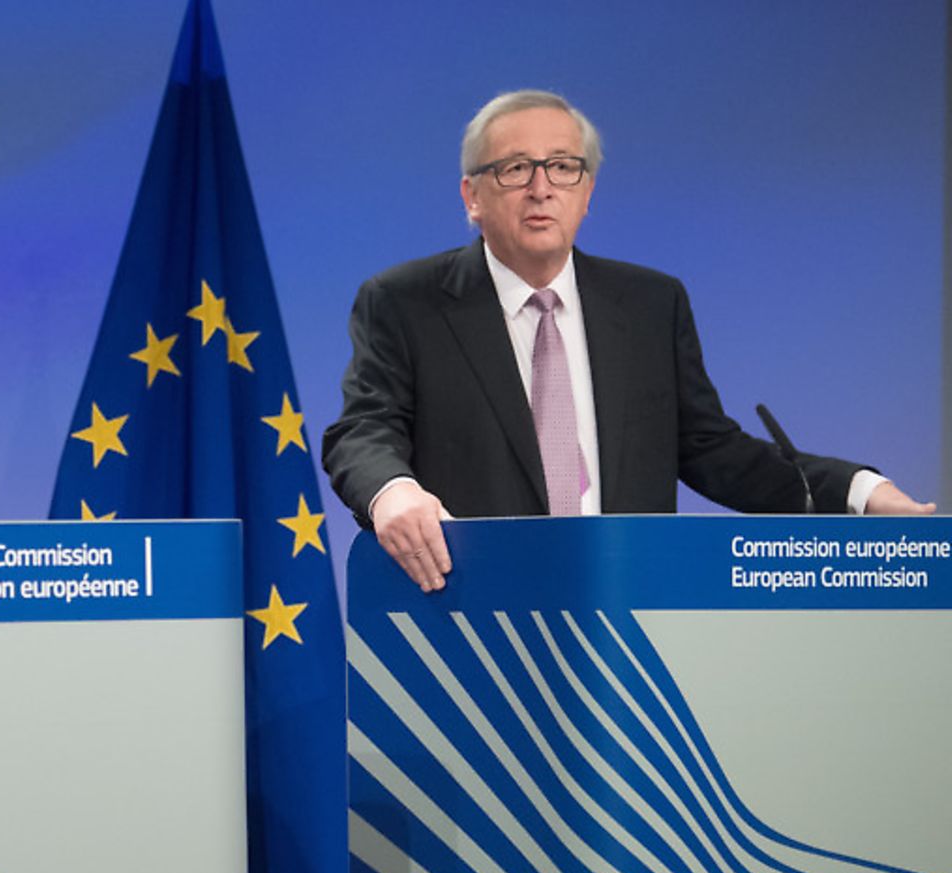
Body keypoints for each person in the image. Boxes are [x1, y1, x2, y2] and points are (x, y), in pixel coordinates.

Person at [321, 89, 933, 592]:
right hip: (473, 610)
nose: (542, 188)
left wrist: (859, 492)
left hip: (630, 613)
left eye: (563, 167)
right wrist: (392, 494)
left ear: (586, 194)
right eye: (515, 169)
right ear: (471, 196)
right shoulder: (405, 301)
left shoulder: (648, 304)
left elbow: (711, 449)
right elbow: (363, 429)